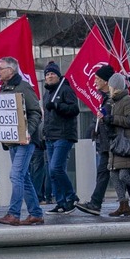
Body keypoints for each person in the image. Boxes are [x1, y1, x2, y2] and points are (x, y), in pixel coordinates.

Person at [0, 55, 45, 225]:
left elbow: (36, 112)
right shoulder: (5, 88)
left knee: (16, 175)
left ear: (10, 70)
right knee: (23, 177)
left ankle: (14, 213)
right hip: (13, 142)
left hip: (25, 141)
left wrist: (28, 132)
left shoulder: (24, 87)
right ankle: (36, 213)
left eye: (0, 68)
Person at [103, 72, 130, 215]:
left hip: (127, 145)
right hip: (118, 144)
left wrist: (113, 119)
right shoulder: (114, 102)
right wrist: (106, 120)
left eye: (110, 86)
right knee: (114, 174)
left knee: (124, 176)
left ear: (115, 87)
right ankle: (123, 204)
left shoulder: (127, 100)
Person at [41, 61, 81, 212]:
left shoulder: (65, 90)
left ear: (58, 76)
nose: (49, 76)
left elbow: (74, 109)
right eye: (47, 74)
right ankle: (61, 202)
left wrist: (58, 106)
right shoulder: (47, 94)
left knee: (56, 168)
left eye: (52, 74)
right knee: (52, 172)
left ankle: (71, 196)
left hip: (63, 135)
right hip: (50, 136)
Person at [79, 64, 118, 215]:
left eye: (97, 79)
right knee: (120, 175)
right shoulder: (105, 99)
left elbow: (117, 119)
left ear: (106, 81)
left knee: (121, 175)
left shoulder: (113, 99)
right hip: (106, 142)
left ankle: (95, 203)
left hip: (113, 142)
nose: (94, 81)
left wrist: (105, 121)